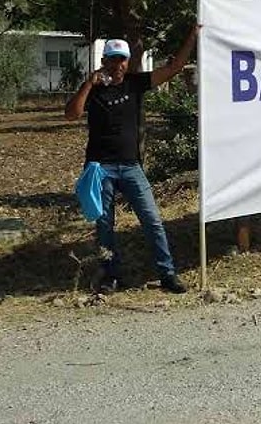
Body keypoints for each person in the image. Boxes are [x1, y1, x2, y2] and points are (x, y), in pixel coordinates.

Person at [65, 26, 200, 293]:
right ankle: (110, 276)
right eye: (112, 59)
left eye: (122, 59)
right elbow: (72, 114)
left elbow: (174, 68)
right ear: (104, 61)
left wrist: (193, 35)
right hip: (100, 168)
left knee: (152, 220)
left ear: (128, 62)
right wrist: (88, 84)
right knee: (104, 226)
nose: (117, 65)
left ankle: (167, 274)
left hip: (130, 167)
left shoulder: (135, 83)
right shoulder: (93, 89)